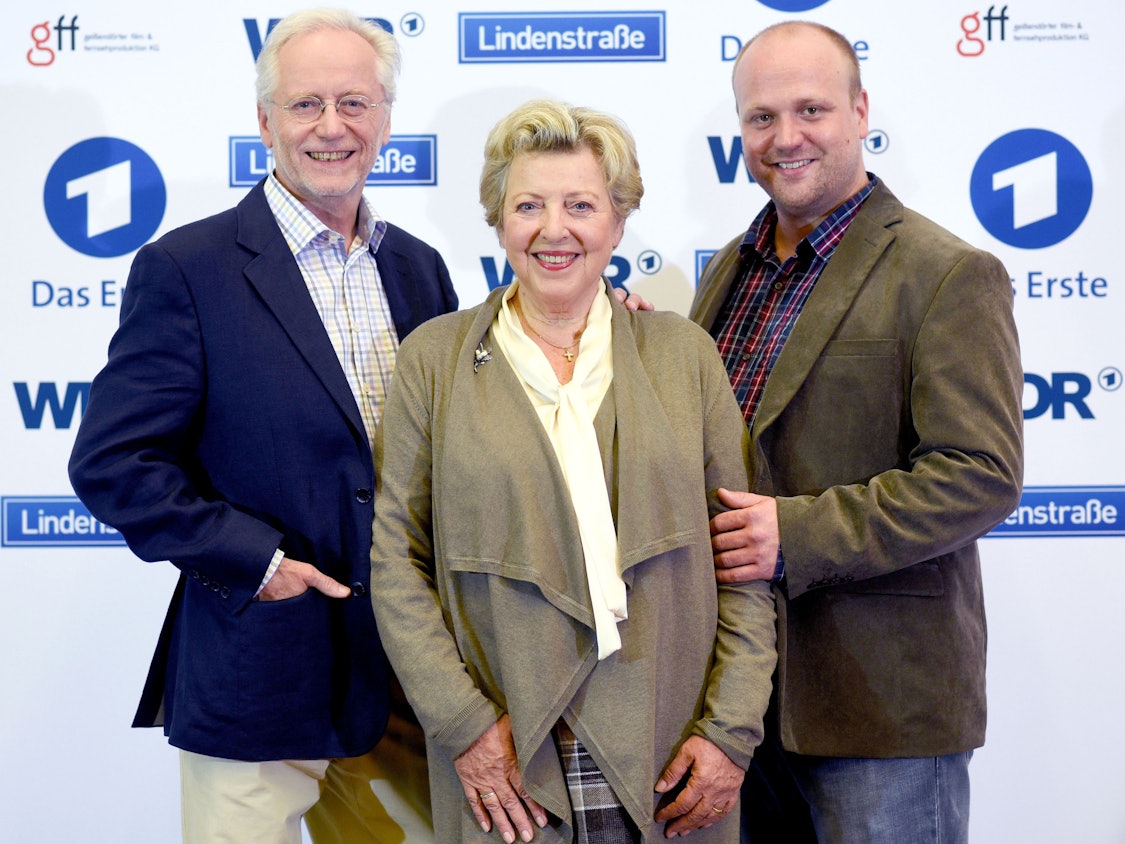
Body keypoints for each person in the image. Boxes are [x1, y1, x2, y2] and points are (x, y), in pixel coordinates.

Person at [67, 9, 459, 843]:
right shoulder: (186, 268)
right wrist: (260, 564)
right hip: (259, 669)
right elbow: (113, 461)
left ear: (386, 119)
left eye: (353, 103)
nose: (331, 127)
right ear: (264, 121)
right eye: (305, 104)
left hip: (408, 672)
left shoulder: (418, 269)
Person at [367, 99, 777, 843]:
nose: (553, 229)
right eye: (528, 205)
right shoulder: (433, 359)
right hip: (507, 744)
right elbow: (397, 562)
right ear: (497, 221)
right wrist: (463, 724)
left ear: (617, 223)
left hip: (672, 746)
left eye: (580, 205)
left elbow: (741, 562)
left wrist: (730, 732)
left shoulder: (682, 354)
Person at [689, 21, 1024, 844]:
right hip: (739, 709)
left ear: (859, 112)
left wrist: (795, 534)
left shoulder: (946, 272)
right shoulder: (728, 268)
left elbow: (979, 473)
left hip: (881, 708)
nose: (785, 137)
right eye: (761, 117)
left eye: (810, 109)